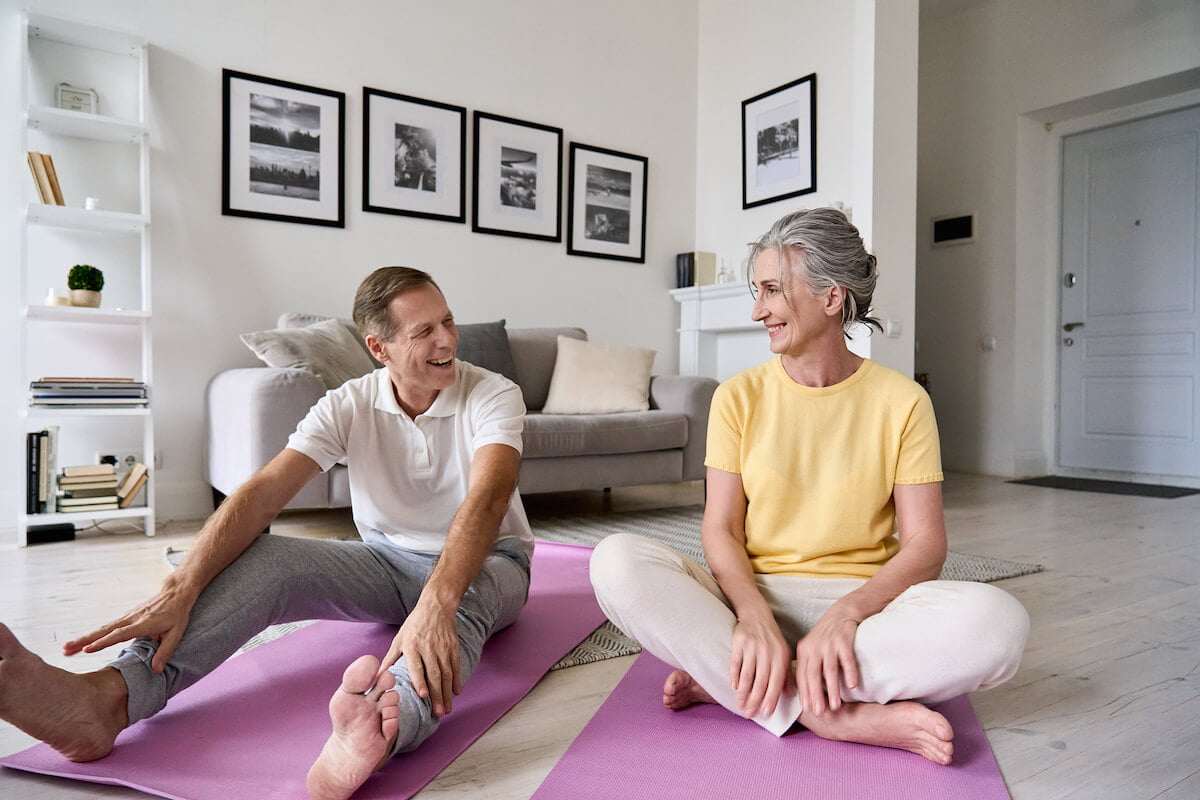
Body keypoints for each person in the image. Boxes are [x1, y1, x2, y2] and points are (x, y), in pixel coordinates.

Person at [0, 267, 534, 800]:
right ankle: (107, 700)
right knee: (268, 557)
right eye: (423, 332)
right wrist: (181, 586)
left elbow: (486, 500)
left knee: (463, 598)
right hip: (389, 562)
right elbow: (261, 494)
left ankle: (376, 732)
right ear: (379, 347)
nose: (446, 340)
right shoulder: (347, 403)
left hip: (492, 563)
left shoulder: (493, 393)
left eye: (447, 321)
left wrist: (437, 603)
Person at [590, 208, 1029, 764]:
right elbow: (721, 527)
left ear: (831, 298)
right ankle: (829, 711)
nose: (757, 311)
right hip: (752, 596)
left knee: (1000, 625)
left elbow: (926, 547)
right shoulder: (736, 397)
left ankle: (748, 688)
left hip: (866, 614)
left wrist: (847, 614)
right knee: (615, 562)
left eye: (772, 290)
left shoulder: (904, 402)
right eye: (757, 291)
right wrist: (751, 616)